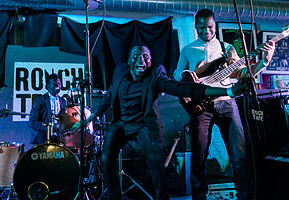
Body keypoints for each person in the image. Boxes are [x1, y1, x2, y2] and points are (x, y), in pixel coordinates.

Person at [73, 43, 250, 200]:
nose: (140, 60)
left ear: (150, 61)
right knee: (106, 156)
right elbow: (108, 98)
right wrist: (86, 120)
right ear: (129, 60)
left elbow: (181, 88)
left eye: (145, 57)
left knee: (155, 163)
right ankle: (114, 196)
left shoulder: (156, 74)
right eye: (136, 56)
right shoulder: (120, 71)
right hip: (121, 124)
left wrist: (228, 91)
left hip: (144, 126)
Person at [173, 9, 275, 200]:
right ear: (196, 27)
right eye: (202, 28)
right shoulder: (188, 49)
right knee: (199, 157)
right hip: (201, 106)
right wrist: (186, 74)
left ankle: (244, 196)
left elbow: (242, 73)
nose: (207, 31)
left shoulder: (227, 48)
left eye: (210, 27)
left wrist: (263, 63)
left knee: (239, 156)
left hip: (227, 103)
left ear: (215, 25)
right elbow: (176, 73)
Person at [29, 73, 66, 144]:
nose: (57, 85)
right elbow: (32, 122)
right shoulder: (40, 100)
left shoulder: (63, 101)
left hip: (59, 136)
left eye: (59, 83)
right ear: (47, 86)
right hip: (44, 136)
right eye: (54, 83)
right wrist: (48, 128)